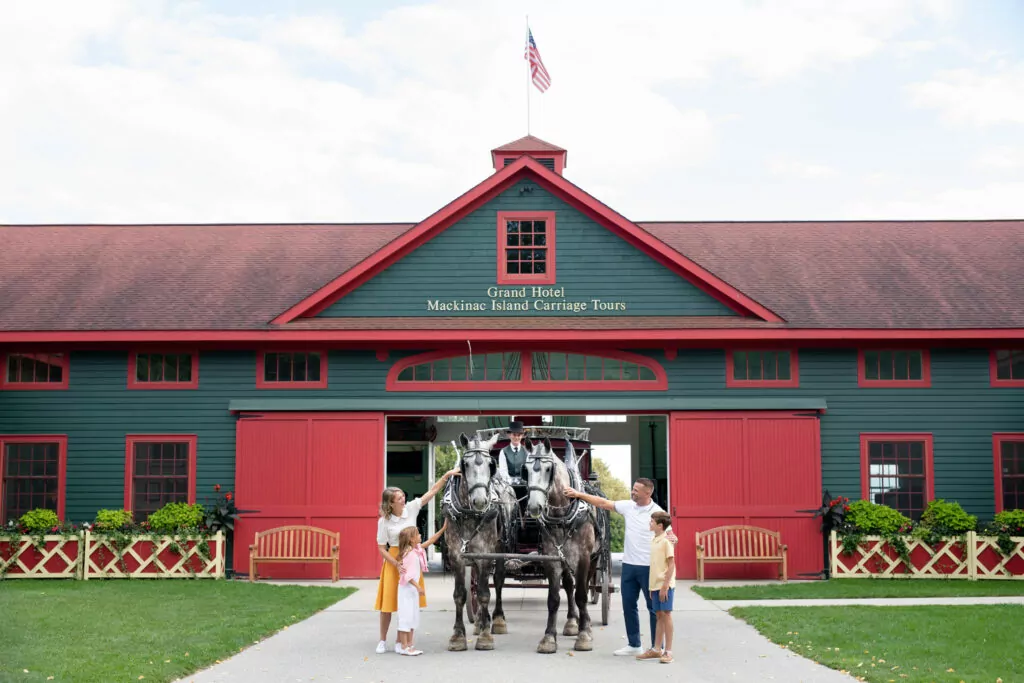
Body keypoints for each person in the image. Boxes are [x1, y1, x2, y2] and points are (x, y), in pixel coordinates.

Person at [563, 476, 676, 656]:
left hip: (650, 568)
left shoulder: (657, 512)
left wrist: (674, 538)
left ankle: (658, 647)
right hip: (629, 566)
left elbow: (670, 535)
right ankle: (634, 644)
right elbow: (602, 503)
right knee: (628, 605)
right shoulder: (628, 506)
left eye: (636, 491)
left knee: (654, 609)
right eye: (633, 489)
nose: (632, 492)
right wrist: (578, 494)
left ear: (648, 493)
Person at [374, 468, 459, 654]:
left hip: (411, 560)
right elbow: (382, 547)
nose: (403, 499)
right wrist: (394, 562)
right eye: (399, 498)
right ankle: (382, 640)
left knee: (406, 603)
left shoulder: (411, 508)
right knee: (388, 604)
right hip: (393, 560)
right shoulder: (384, 522)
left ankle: (400, 642)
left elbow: (432, 492)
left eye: (403, 496)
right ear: (390, 503)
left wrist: (445, 476)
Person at [395, 519, 447, 655]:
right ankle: (404, 646)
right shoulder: (410, 555)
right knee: (405, 617)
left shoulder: (416, 550)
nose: (420, 536)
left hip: (411, 590)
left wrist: (443, 528)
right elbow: (407, 576)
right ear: (412, 539)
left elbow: (431, 540)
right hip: (407, 589)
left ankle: (410, 645)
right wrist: (418, 587)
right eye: (417, 534)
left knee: (412, 617)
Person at [636, 511, 675, 663]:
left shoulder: (666, 541)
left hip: (665, 585)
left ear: (660, 525)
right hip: (655, 585)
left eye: (651, 522)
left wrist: (665, 586)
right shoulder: (655, 540)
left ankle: (668, 652)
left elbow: (671, 564)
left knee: (666, 615)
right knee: (658, 615)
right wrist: (652, 587)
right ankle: (656, 649)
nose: (649, 524)